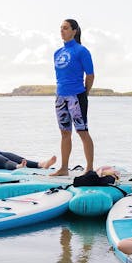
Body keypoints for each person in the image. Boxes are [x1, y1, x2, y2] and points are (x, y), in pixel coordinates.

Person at [51, 18, 95, 176]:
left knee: (82, 131)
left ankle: (89, 167)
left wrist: (85, 93)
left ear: (74, 31)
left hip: (77, 95)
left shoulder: (81, 51)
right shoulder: (57, 53)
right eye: (60, 28)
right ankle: (63, 168)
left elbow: (90, 75)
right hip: (60, 96)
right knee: (64, 133)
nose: (62, 31)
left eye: (65, 28)